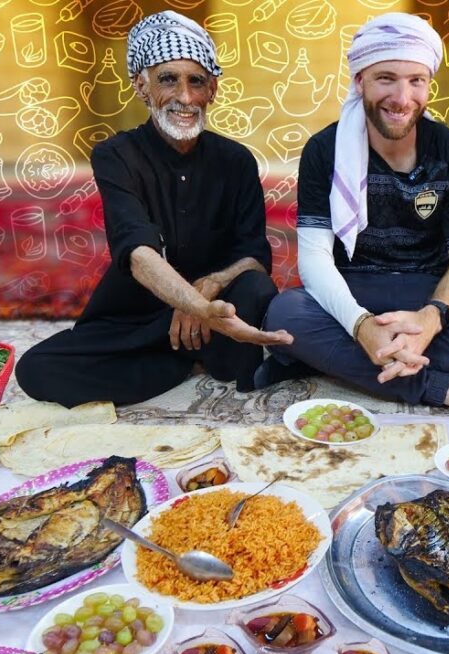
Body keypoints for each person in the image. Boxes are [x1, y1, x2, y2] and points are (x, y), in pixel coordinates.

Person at [254, 13, 449, 430]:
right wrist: (361, 325)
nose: (402, 97)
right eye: (387, 78)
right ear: (360, 80)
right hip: (351, 287)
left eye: (416, 81)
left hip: (422, 290)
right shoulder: (324, 150)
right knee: (284, 314)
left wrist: (428, 321)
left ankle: (325, 360)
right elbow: (314, 258)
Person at [16, 10, 291, 408]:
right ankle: (185, 364)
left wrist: (211, 286)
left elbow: (256, 258)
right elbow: (137, 250)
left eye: (196, 81)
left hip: (216, 310)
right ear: (141, 87)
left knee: (255, 289)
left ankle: (190, 357)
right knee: (37, 369)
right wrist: (192, 306)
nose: (184, 97)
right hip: (139, 318)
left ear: (211, 90)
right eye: (168, 79)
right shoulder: (116, 155)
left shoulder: (236, 160)